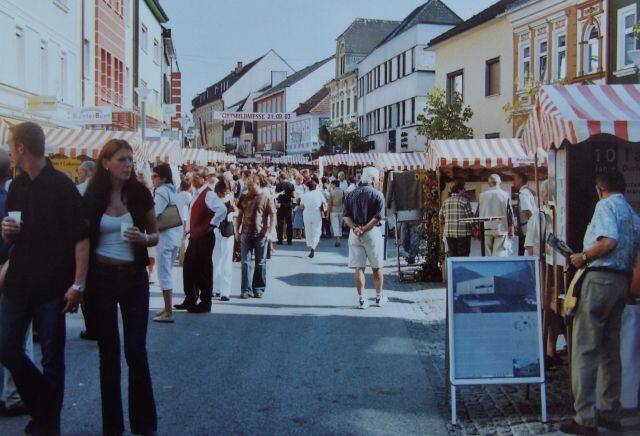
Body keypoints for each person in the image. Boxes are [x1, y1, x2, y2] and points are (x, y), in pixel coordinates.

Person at [0, 122, 89, 435]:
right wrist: (6, 233)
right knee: (7, 346)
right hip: (18, 283)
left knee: (53, 358)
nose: (10, 151)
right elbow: (13, 234)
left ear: (22, 148)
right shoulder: (17, 186)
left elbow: (81, 239)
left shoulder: (61, 186)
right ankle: (43, 404)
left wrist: (78, 285)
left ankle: (47, 421)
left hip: (51, 285)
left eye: (11, 145)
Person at [84, 138, 158, 435]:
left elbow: (156, 234)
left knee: (135, 350)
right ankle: (112, 426)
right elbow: (81, 238)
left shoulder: (140, 193)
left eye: (130, 159)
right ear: (106, 163)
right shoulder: (93, 196)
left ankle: (143, 424)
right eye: (121, 160)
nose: (128, 165)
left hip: (134, 278)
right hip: (100, 278)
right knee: (108, 353)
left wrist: (144, 240)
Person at [560, 171, 640, 435]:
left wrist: (583, 256)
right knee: (610, 349)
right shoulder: (630, 211)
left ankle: (584, 416)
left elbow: (608, 240)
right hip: (622, 281)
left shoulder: (605, 205)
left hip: (600, 278)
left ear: (599, 189)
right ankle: (610, 411)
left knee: (585, 347)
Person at [0, 148, 30, 419]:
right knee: (16, 337)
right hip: (11, 270)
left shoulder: (13, 196)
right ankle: (14, 394)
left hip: (9, 271)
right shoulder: (13, 196)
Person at [343, 167, 386, 309]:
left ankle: (362, 299)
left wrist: (355, 228)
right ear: (373, 179)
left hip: (354, 233)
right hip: (371, 232)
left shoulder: (351, 194)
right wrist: (365, 228)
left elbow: (346, 216)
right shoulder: (378, 194)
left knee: (359, 267)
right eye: (378, 179)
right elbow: (378, 217)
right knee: (376, 266)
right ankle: (379, 298)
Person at [175, 167, 216, 313]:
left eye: (197, 177)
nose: (194, 179)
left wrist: (212, 224)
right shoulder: (198, 193)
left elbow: (222, 209)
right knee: (189, 268)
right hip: (195, 235)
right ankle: (190, 298)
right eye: (194, 176)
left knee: (203, 269)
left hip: (204, 236)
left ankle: (206, 302)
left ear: (204, 179)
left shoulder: (209, 194)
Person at [151, 164, 183, 323]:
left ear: (163, 178)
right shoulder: (172, 190)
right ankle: (167, 307)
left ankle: (169, 311)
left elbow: (154, 213)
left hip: (165, 237)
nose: (153, 179)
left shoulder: (162, 191)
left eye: (155, 176)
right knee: (167, 272)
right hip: (174, 236)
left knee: (164, 274)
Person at [235, 175, 276, 299]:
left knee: (260, 263)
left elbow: (273, 215)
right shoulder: (244, 197)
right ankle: (246, 290)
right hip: (246, 233)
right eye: (248, 186)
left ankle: (258, 288)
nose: (248, 189)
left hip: (261, 234)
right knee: (245, 263)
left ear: (258, 184)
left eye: (251, 186)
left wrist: (270, 232)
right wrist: (237, 230)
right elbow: (240, 215)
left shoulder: (266, 197)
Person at [478, 174, 514, 256]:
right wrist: (511, 228)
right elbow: (510, 213)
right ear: (499, 182)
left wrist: (477, 228)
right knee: (499, 256)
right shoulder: (505, 195)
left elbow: (478, 213)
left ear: (489, 183)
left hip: (485, 229)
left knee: (487, 257)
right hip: (500, 229)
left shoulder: (482, 195)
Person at [211, 180, 235, 301]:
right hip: (217, 231)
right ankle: (215, 289)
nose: (224, 193)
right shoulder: (214, 199)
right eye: (222, 191)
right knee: (216, 260)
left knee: (226, 262)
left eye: (226, 191)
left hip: (227, 232)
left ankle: (225, 292)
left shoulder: (229, 199)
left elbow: (235, 211)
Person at [439, 180, 475, 257]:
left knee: (453, 256)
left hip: (449, 233)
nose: (465, 191)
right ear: (459, 190)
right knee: (463, 256)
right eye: (463, 189)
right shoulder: (464, 201)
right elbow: (470, 219)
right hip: (463, 234)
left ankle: (454, 269)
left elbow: (440, 217)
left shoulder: (446, 202)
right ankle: (462, 269)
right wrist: (474, 228)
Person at [300, 179, 326, 258]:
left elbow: (301, 206)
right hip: (316, 213)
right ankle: (313, 246)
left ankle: (310, 245)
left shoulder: (305, 194)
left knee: (308, 230)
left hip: (307, 213)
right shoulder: (319, 193)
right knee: (317, 231)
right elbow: (324, 202)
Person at [514, 170, 537, 256]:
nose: (514, 182)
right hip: (527, 228)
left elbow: (528, 211)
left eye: (515, 179)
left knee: (524, 254)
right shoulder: (528, 192)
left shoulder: (523, 193)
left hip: (526, 229)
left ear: (520, 180)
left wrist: (530, 227)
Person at [275, 172, 295, 245]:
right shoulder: (291, 185)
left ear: (280, 177)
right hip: (288, 205)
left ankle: (280, 239)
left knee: (280, 223)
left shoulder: (278, 185)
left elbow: (276, 195)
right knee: (289, 223)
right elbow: (293, 195)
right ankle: (289, 240)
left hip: (280, 205)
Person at [328, 179, 345, 247]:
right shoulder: (342, 191)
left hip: (333, 210)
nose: (331, 185)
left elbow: (330, 204)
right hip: (341, 209)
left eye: (332, 184)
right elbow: (344, 202)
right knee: (340, 225)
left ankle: (337, 239)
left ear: (334, 184)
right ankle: (339, 238)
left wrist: (327, 214)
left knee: (335, 225)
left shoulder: (332, 192)